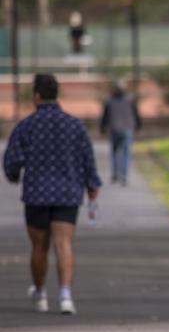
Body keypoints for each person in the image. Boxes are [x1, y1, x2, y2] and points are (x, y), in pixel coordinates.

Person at [3, 74, 102, 314]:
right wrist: (92, 186)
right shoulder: (75, 125)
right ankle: (66, 294)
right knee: (63, 243)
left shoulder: (27, 125)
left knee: (39, 246)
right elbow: (87, 158)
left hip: (36, 193)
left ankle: (40, 294)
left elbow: (12, 161)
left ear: (37, 95)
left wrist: (14, 175)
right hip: (68, 192)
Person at [101, 79, 141, 186]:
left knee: (114, 152)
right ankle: (123, 175)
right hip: (127, 128)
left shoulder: (109, 99)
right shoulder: (130, 98)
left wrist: (103, 127)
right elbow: (136, 113)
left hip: (114, 128)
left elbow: (105, 115)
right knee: (126, 153)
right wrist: (138, 125)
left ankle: (115, 174)